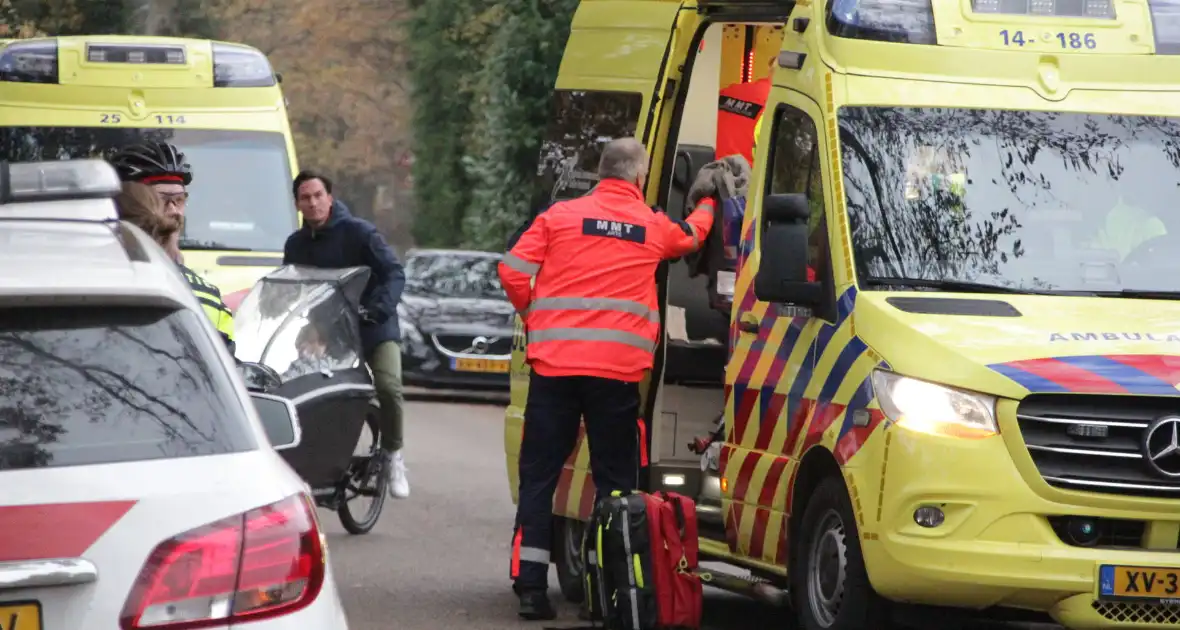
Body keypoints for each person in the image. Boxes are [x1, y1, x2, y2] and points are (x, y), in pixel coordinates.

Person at [499, 137, 715, 620]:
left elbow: (512, 270)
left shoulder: (559, 217)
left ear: (600, 174)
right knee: (616, 486)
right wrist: (709, 201)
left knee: (540, 479)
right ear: (639, 178)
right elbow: (692, 236)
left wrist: (535, 316)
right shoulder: (650, 226)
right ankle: (611, 592)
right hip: (615, 375)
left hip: (554, 369)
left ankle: (532, 589)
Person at [283, 170, 410, 499]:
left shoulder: (360, 233)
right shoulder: (296, 245)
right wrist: (304, 328)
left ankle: (394, 454)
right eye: (305, 198)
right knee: (309, 389)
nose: (312, 203)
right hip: (330, 332)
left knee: (388, 386)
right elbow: (295, 289)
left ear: (330, 198)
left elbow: (394, 273)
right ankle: (316, 462)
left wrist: (378, 310)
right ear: (297, 204)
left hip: (373, 327)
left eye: (318, 196)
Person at [109, 143, 237, 355]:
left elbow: (226, 373)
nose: (174, 210)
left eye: (179, 200)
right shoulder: (94, 284)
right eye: (162, 200)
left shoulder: (208, 295)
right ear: (130, 204)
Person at [717, 55, 777, 166]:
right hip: (744, 179)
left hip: (707, 172)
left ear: (769, 68)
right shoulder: (777, 105)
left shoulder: (727, 92)